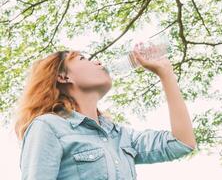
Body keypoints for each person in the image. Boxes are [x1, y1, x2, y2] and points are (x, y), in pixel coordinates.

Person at [14, 46, 197, 180]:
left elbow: (182, 143)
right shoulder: (49, 127)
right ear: (63, 76)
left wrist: (166, 74)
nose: (98, 62)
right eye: (83, 58)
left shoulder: (120, 136)